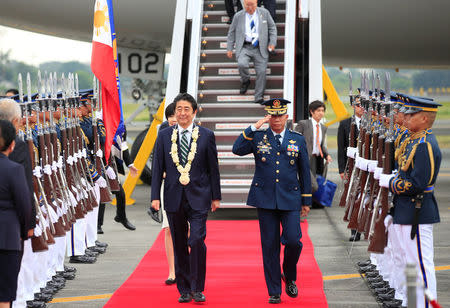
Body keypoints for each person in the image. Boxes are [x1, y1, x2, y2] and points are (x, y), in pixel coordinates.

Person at [232, 98, 311, 304]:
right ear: (268, 117)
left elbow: (304, 171)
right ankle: (274, 290)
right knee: (269, 246)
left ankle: (289, 274)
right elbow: (236, 149)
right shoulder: (258, 136)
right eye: (273, 116)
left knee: (294, 240)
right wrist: (253, 127)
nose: (276, 119)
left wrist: (306, 200)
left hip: (290, 197)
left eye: (280, 115)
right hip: (265, 198)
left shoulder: (297, 139)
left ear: (286, 116)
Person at [151, 93, 221, 303]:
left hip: (199, 196)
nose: (182, 113)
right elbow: (157, 170)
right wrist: (155, 197)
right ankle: (184, 289)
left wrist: (216, 196)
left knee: (197, 239)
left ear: (194, 111)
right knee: (179, 243)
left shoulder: (206, 135)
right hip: (173, 197)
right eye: (179, 109)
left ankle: (198, 287)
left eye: (186, 109)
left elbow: (213, 169)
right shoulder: (164, 136)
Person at [379, 96, 442, 308]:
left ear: (424, 118)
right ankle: (411, 302)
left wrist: (392, 182)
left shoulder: (424, 145)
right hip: (406, 209)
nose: (405, 117)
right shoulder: (414, 140)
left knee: (421, 264)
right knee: (408, 261)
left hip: (418, 209)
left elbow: (418, 184)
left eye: (410, 114)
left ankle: (424, 305)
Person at [0, 119, 32, 308]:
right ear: (12, 145)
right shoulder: (14, 169)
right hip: (8, 237)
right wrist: (23, 230)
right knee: (4, 293)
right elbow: (24, 205)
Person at [226, 0, 277, 104]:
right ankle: (246, 80)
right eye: (247, 5)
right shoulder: (238, 16)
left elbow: (272, 28)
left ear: (256, 3)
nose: (249, 7)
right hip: (245, 46)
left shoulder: (264, 13)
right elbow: (231, 32)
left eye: (252, 5)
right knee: (241, 64)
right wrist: (229, 48)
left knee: (261, 72)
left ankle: (258, 96)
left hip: (260, 47)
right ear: (243, 4)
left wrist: (272, 43)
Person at [295, 100, 332, 207]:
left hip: (317, 159)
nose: (321, 113)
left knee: (315, 183)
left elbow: (320, 144)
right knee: (313, 185)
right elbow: (295, 139)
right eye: (318, 110)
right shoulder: (304, 124)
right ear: (312, 112)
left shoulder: (323, 127)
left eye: (323, 110)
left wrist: (327, 155)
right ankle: (300, 203)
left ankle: (308, 203)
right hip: (305, 158)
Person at [157, 102, 178, 285]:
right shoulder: (163, 133)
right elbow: (157, 163)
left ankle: (185, 265)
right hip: (169, 186)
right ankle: (172, 270)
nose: (174, 119)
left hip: (190, 188)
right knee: (169, 229)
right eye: (171, 115)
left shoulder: (196, 133)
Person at [337, 98, 364, 241]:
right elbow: (341, 148)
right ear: (353, 106)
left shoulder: (372, 123)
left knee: (365, 198)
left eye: (363, 105)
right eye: (359, 105)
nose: (361, 108)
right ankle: (354, 230)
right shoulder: (345, 123)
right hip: (352, 166)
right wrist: (342, 169)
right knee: (353, 197)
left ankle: (364, 225)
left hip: (366, 167)